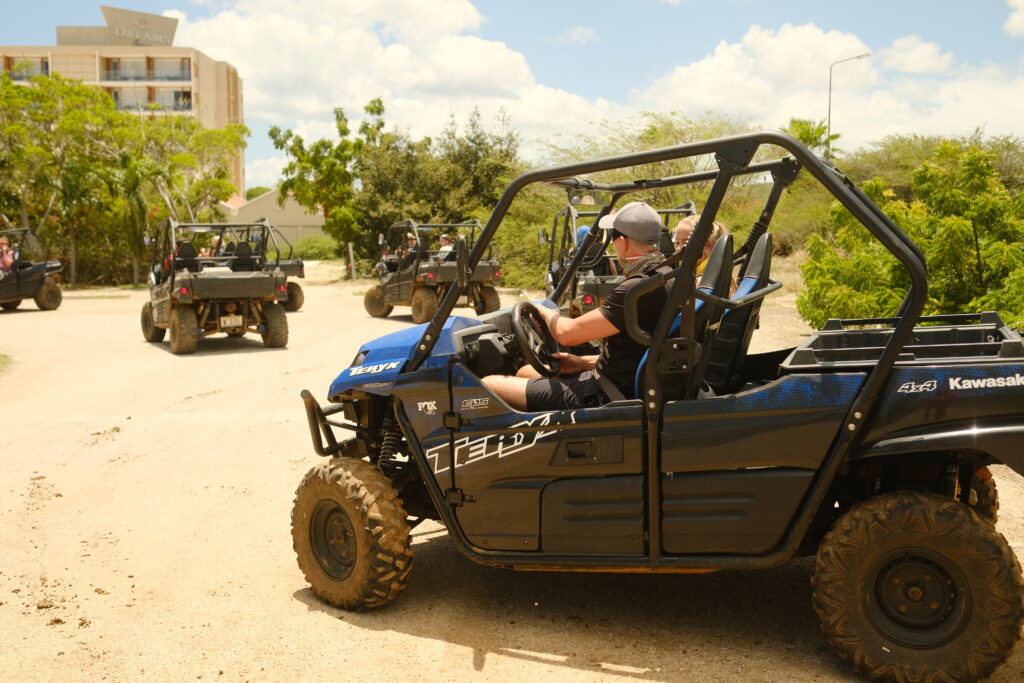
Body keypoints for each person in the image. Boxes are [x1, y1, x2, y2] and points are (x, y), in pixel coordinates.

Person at [482, 201, 672, 411]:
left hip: (606, 393)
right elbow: (641, 353)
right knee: (525, 371)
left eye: (613, 238)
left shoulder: (636, 288)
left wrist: (545, 311)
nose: (611, 244)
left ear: (623, 242)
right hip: (621, 378)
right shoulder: (668, 277)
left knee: (489, 384)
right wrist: (582, 363)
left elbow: (567, 333)